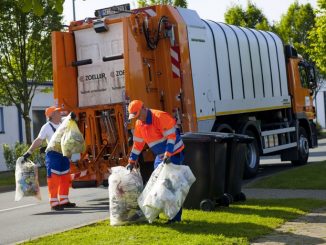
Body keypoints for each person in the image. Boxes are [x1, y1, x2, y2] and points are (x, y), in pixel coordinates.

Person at [126, 100, 185, 224]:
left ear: (144, 108)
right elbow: (137, 145)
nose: (138, 118)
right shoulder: (139, 124)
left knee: (171, 187)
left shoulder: (159, 117)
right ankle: (154, 212)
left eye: (138, 115)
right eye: (135, 117)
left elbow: (171, 137)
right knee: (156, 185)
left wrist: (168, 154)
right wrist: (131, 161)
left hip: (173, 154)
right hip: (160, 156)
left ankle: (175, 218)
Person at [22, 106, 76, 211]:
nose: (60, 113)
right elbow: (39, 140)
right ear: (52, 115)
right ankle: (54, 203)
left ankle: (64, 200)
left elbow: (70, 119)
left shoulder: (62, 124)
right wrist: (29, 152)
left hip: (63, 155)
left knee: (65, 178)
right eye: (57, 112)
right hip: (53, 155)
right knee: (54, 179)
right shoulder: (46, 127)